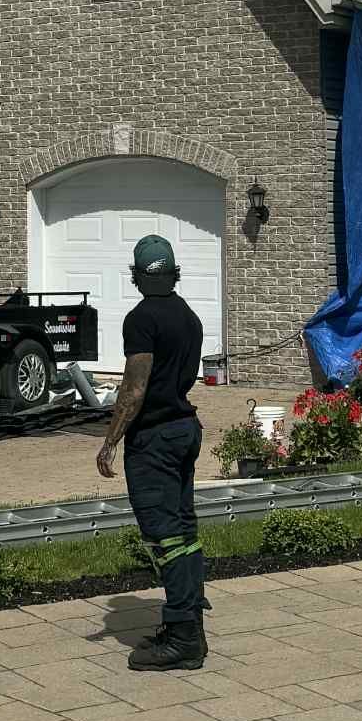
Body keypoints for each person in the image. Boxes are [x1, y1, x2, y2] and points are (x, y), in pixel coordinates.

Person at [96, 234, 208, 670]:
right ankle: (190, 619)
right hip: (184, 429)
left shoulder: (141, 318)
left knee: (165, 537)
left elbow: (135, 386)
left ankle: (183, 638)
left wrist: (110, 440)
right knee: (183, 529)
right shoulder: (190, 317)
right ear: (173, 273)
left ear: (138, 276)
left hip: (156, 439)